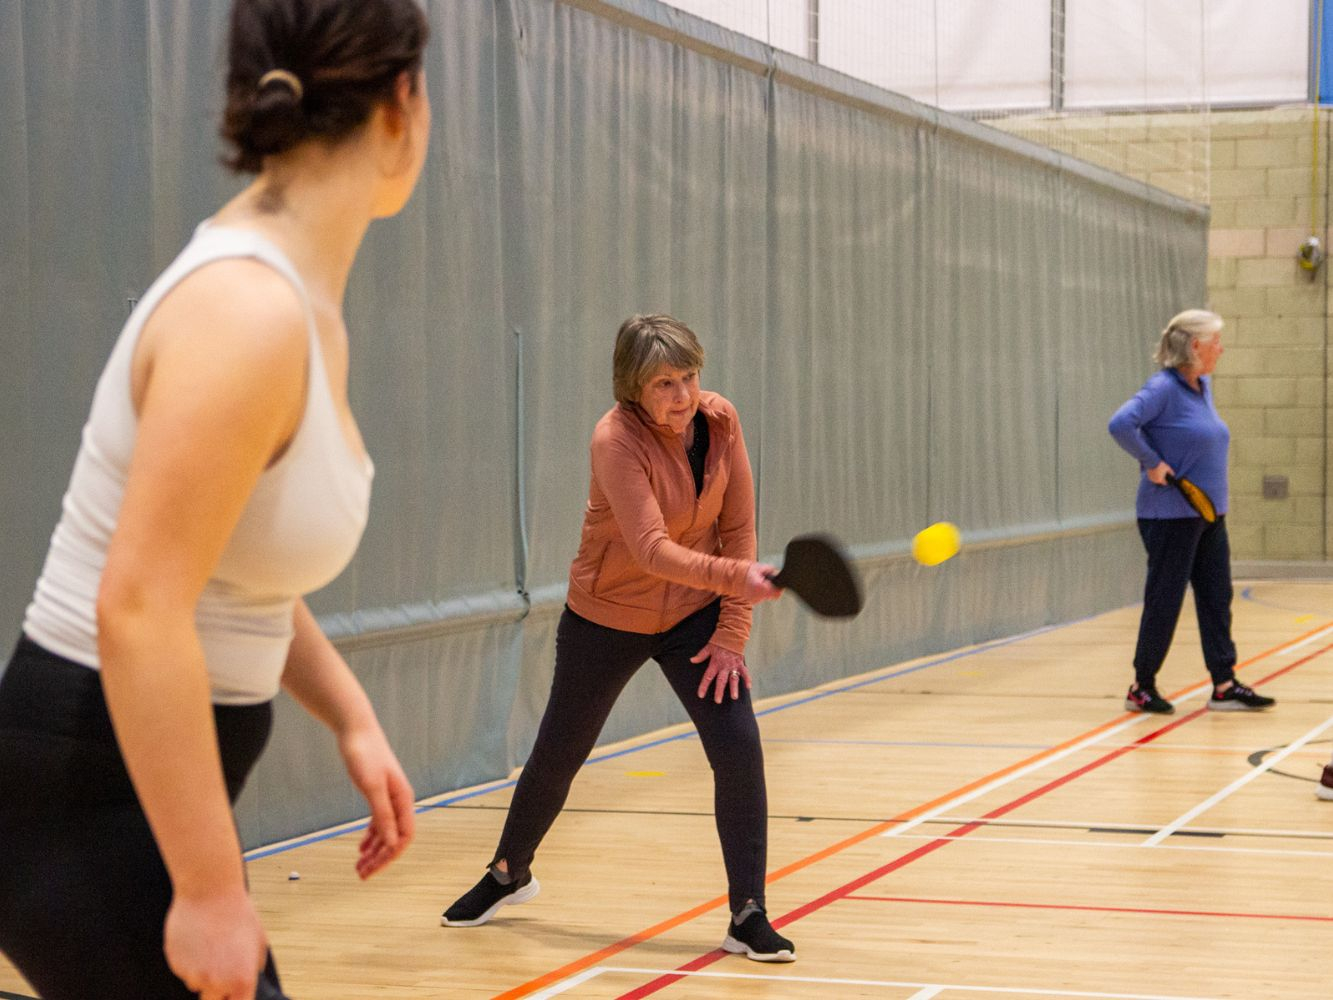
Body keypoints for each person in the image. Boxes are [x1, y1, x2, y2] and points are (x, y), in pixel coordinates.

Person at [0, 1, 431, 997]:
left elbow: (235, 578)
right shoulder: (248, 312)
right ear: (402, 103)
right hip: (77, 794)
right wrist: (207, 888)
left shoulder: (298, 306)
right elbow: (140, 607)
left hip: (119, 792)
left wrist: (352, 716)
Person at [440, 315, 795, 962]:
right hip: (607, 616)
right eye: (664, 382)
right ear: (633, 386)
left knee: (739, 747)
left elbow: (739, 528)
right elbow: (652, 550)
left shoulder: (720, 422)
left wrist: (731, 630)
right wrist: (736, 577)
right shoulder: (614, 440)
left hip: (693, 616)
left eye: (689, 377)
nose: (682, 395)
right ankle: (507, 874)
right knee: (558, 754)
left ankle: (747, 914)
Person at [1108, 308, 1275, 716]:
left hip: (1209, 514)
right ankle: (1141, 687)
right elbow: (1120, 423)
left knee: (1217, 596)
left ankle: (1224, 684)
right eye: (1216, 340)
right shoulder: (1163, 388)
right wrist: (1151, 461)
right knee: (1165, 599)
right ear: (1195, 346)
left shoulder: (1202, 386)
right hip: (1170, 515)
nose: (1222, 347)